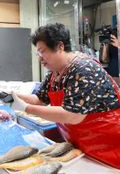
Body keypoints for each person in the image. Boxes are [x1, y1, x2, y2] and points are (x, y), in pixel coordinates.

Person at [8, 23, 120, 169]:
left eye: (42, 51)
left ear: (60, 46)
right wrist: (14, 95)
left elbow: (73, 115)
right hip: (81, 146)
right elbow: (40, 100)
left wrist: (26, 108)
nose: (40, 58)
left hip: (108, 147)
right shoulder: (55, 72)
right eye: (38, 53)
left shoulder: (84, 69)